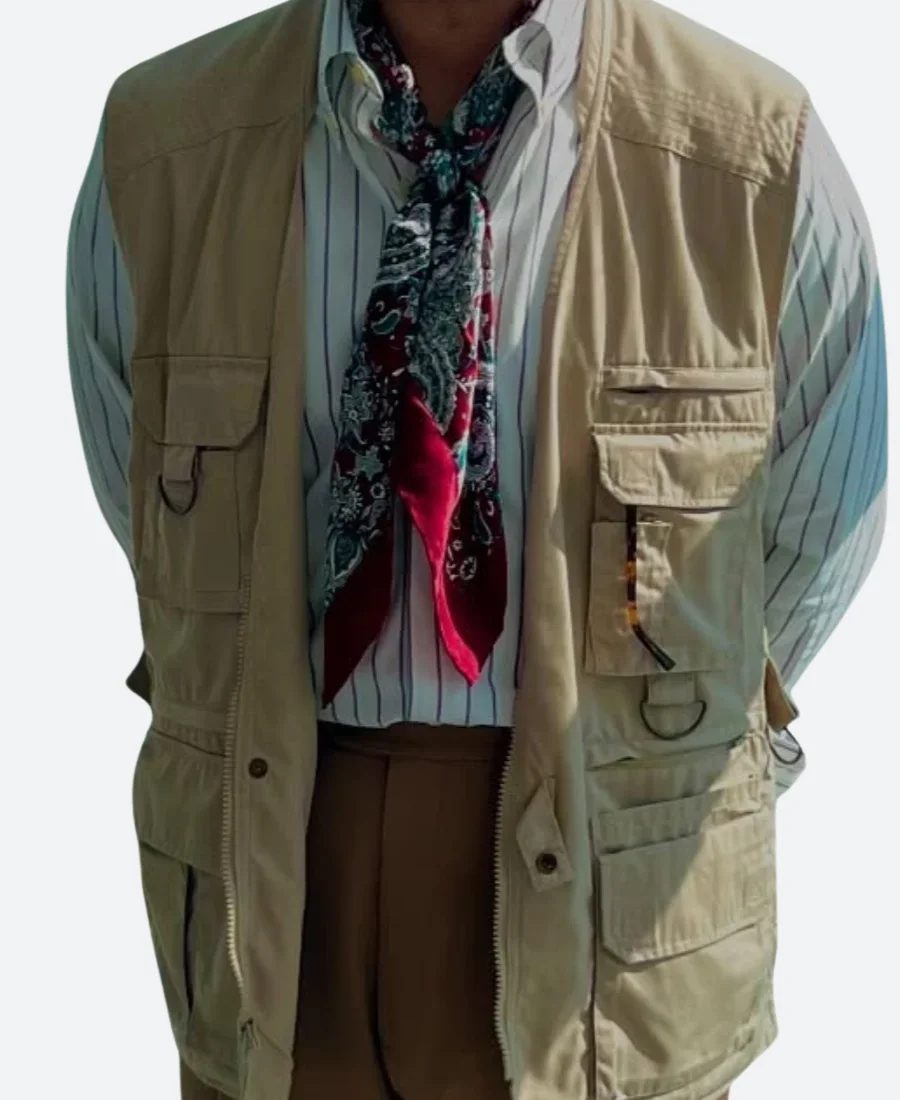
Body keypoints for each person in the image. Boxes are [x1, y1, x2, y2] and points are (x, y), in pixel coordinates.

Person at [65, 1, 888, 1099]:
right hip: (267, 879)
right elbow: (152, 512)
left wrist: (680, 743)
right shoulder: (164, 142)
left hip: (608, 907)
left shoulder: (752, 151)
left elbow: (819, 515)